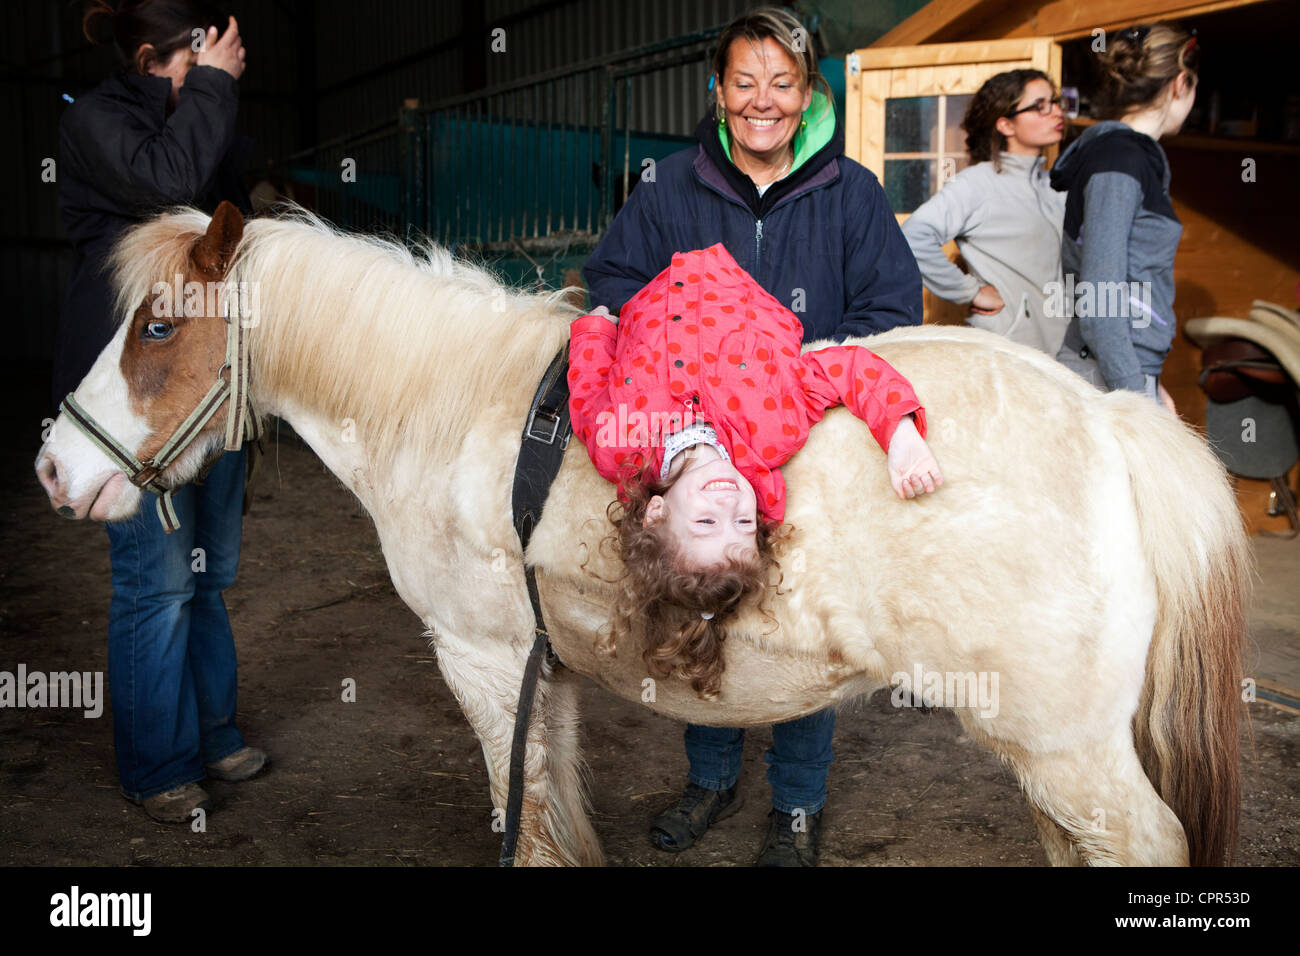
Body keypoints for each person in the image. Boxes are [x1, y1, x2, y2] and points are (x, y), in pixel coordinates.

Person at [582, 7, 923, 866]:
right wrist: (683, 335)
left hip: (805, 442)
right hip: (698, 449)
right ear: (718, 92)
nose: (762, 102)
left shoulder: (852, 194)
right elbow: (613, 282)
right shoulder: (668, 183)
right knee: (702, 610)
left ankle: (798, 804)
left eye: (782, 84)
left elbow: (892, 314)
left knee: (802, 624)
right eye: (744, 83)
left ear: (808, 95)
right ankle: (711, 779)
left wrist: (799, 373)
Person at [56, 0, 264, 823]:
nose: (221, 71)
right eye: (199, 58)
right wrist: (213, 87)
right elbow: (168, 184)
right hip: (133, 400)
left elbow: (229, 237)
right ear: (150, 58)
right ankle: (157, 766)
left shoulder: (202, 125)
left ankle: (213, 732)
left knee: (212, 577)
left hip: (204, 396)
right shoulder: (98, 123)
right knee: (157, 583)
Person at [569, 243, 940, 694]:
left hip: (653, 283)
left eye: (707, 521)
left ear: (656, 513)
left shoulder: (619, 445)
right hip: (739, 281)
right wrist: (901, 436)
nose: (729, 503)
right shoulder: (775, 429)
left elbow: (587, 392)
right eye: (743, 523)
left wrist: (595, 329)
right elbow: (850, 369)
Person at [1050, 22, 1197, 414]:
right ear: (1180, 83)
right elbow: (1102, 303)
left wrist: (1151, 382)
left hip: (1119, 374)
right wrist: (1140, 400)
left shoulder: (1127, 158)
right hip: (1105, 382)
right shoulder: (1119, 162)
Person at [901, 70, 1068, 354]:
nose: (1055, 112)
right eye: (1040, 106)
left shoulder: (1053, 185)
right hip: (1011, 354)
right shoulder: (978, 183)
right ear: (1006, 125)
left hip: (1062, 352)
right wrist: (970, 291)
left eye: (1054, 102)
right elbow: (913, 235)